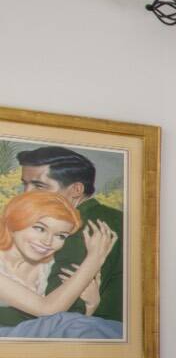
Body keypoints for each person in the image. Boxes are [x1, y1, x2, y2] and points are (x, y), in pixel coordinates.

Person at [16, 145, 123, 325]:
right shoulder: (116, 218)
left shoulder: (76, 229)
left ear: (76, 190)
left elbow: (61, 312)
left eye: (39, 186)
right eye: (25, 184)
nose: (26, 193)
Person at [0, 190, 122, 338]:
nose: (48, 241)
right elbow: (47, 310)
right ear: (14, 222)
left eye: (60, 236)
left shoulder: (49, 267)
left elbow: (66, 328)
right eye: (40, 228)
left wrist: (91, 305)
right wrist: (95, 259)